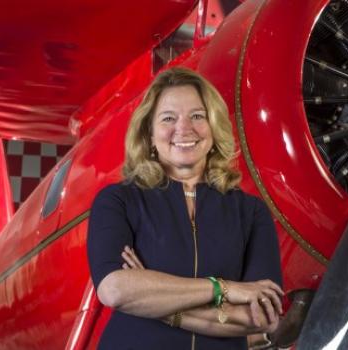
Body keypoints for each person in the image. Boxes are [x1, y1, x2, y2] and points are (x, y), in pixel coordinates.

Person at [87, 67, 283, 349]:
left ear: (213, 129)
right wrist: (226, 289)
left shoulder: (251, 212)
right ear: (150, 135)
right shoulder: (117, 201)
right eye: (168, 118)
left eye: (198, 116)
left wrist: (158, 304)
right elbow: (115, 290)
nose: (184, 128)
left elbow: (262, 318)